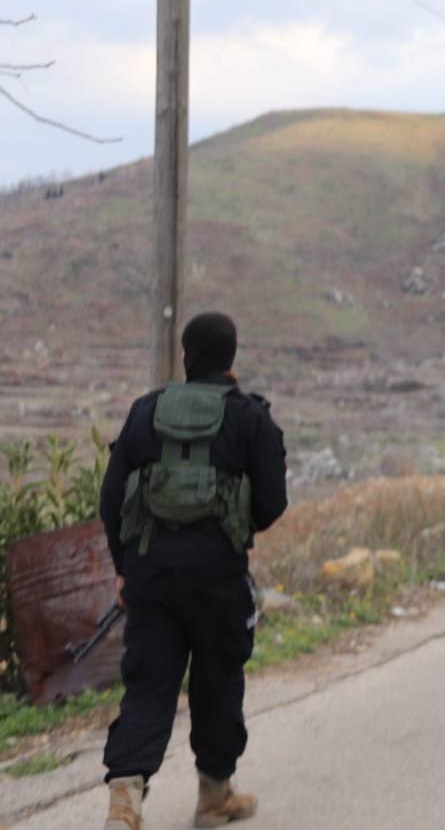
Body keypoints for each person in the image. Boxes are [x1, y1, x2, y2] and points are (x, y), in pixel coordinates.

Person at [98, 313, 288, 830]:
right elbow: (272, 504)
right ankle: (214, 795)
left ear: (186, 355)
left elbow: (111, 499)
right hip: (218, 578)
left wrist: (124, 569)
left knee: (148, 685)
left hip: (151, 575)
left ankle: (124, 804)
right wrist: (229, 523)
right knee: (218, 680)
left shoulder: (146, 410)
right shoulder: (250, 417)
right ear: (231, 357)